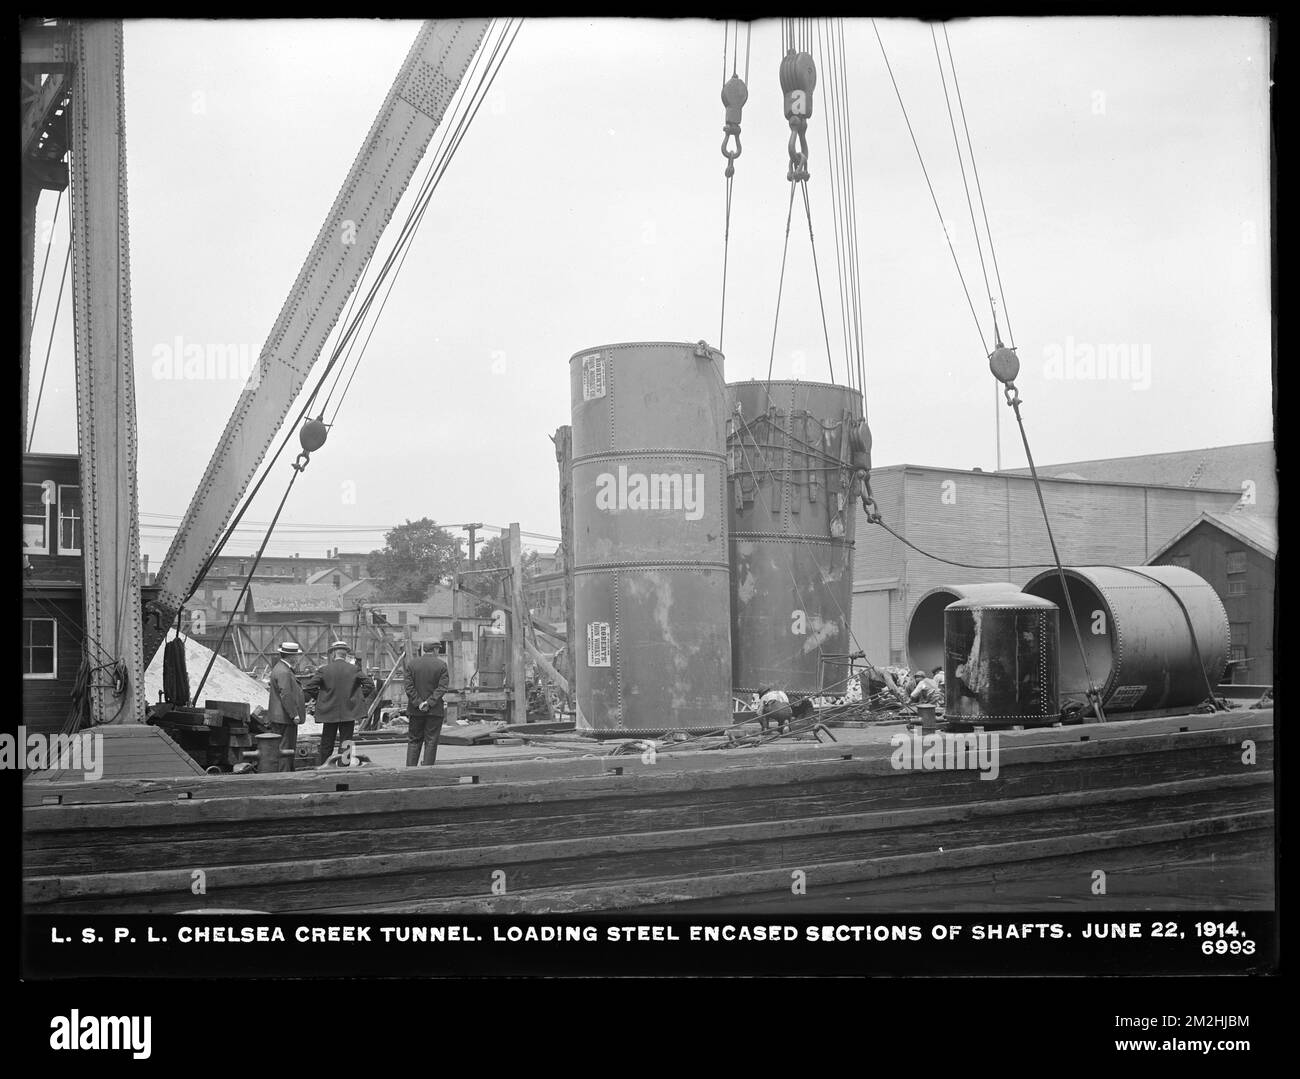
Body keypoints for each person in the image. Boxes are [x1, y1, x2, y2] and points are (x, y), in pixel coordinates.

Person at [305, 640, 375, 766]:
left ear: (333, 654)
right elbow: (369, 685)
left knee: (327, 741)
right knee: (346, 741)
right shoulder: (354, 669)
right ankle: (344, 766)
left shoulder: (324, 670)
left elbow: (310, 687)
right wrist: (356, 697)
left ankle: (325, 766)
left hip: (329, 711)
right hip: (349, 711)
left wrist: (323, 698)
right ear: (345, 655)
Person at [403, 639, 449, 766]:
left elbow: (408, 687)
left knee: (414, 740)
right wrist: (429, 702)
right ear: (435, 649)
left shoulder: (412, 665)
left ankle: (410, 771)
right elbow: (442, 687)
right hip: (434, 711)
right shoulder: (441, 665)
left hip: (415, 710)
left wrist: (419, 703)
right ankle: (427, 771)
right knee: (431, 741)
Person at [266, 641, 307, 771]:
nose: (297, 658)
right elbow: (286, 695)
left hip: (279, 716)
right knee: (286, 749)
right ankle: (285, 774)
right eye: (297, 656)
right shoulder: (284, 672)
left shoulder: (280, 668)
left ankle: (285, 772)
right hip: (284, 717)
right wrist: (294, 714)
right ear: (292, 656)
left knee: (283, 747)